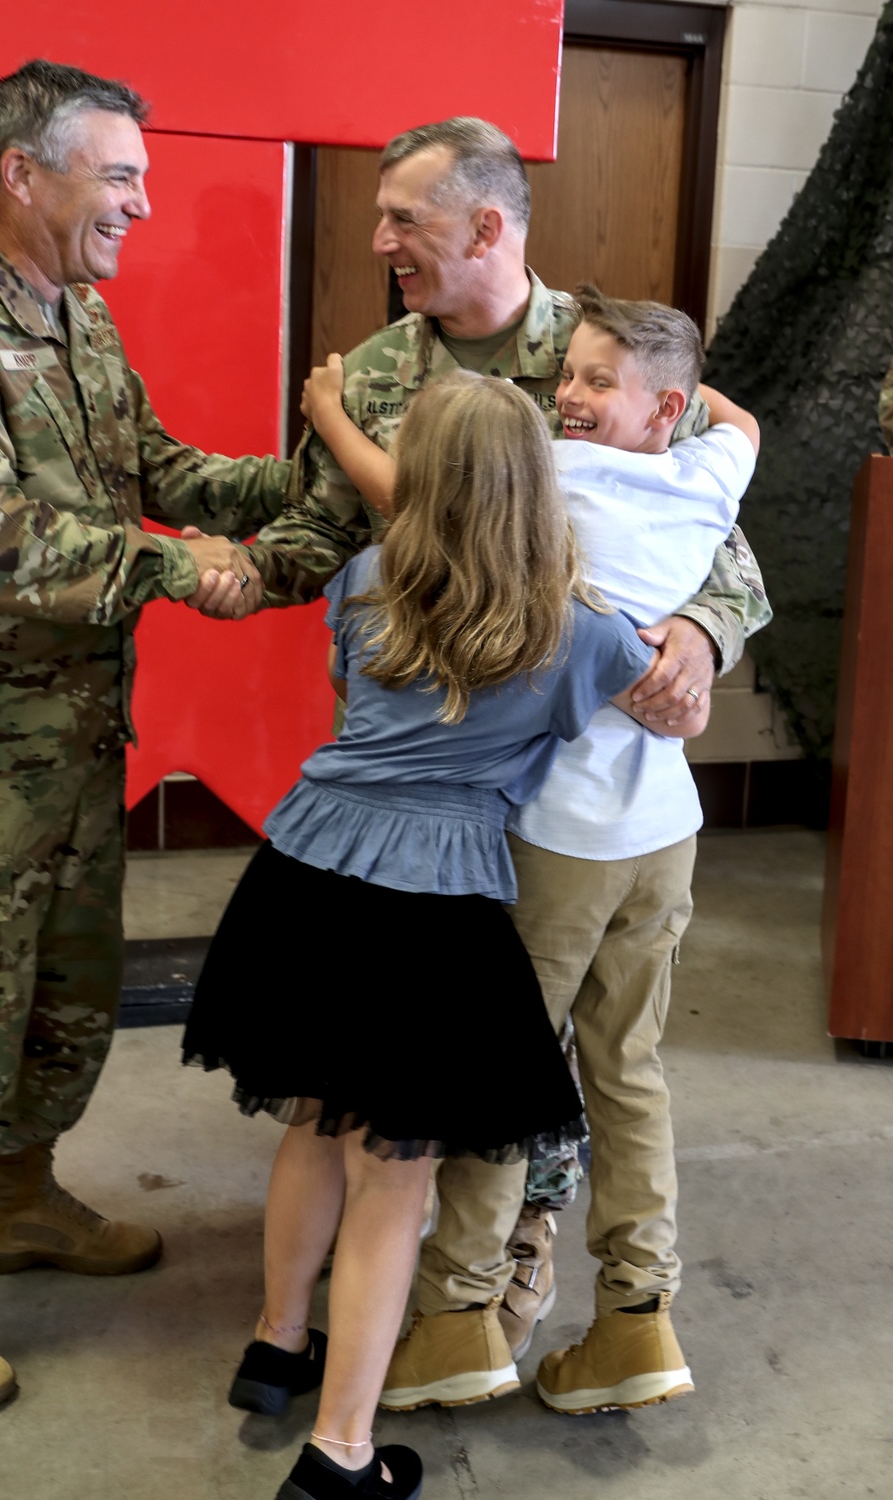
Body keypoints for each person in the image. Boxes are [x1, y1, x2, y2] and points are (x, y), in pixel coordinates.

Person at [187, 116, 772, 1355]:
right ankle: (415, 1286)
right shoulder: (386, 370)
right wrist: (244, 574)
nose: (381, 240)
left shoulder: (602, 346)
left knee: (541, 1052)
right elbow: (329, 529)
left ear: (486, 225)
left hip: (584, 790)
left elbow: (722, 548)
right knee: (445, 1048)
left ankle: (508, 1258)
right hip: (447, 801)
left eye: (405, 218)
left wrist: (700, 647)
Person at [182, 374, 708, 1500]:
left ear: (415, 476)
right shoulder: (573, 632)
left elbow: (345, 689)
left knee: (312, 1122)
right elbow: (670, 702)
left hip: (302, 874)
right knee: (395, 1179)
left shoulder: (367, 581)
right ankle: (342, 1455)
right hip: (432, 914)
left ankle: (276, 1348)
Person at [0, 59, 291, 1416]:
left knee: (66, 1003)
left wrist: (316, 483)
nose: (144, 199)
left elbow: (156, 469)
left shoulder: (74, 315)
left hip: (69, 751)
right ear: (24, 172)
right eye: (119, 173)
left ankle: (20, 1205)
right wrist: (183, 571)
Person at [302, 285, 760, 1416]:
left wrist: (329, 416)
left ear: (657, 408)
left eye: (599, 382)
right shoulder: (701, 478)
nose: (569, 396)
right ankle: (636, 1321)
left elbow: (419, 495)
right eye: (571, 377)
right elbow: (740, 427)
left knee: (497, 1080)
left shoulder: (558, 478)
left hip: (557, 839)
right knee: (628, 1072)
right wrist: (674, 390)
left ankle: (456, 1318)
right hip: (664, 832)